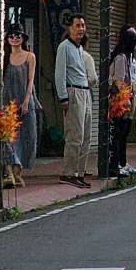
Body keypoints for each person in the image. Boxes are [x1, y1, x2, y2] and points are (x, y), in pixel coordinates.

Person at [54, 12, 92, 188]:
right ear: (70, 28)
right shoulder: (64, 47)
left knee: (85, 136)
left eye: (83, 25)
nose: (81, 29)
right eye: (77, 25)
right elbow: (59, 74)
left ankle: (80, 171)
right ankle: (69, 172)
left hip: (85, 92)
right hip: (73, 92)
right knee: (74, 135)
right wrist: (63, 97)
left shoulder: (79, 48)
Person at [1, 28, 38, 187]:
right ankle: (9, 173)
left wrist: (26, 100)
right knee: (7, 136)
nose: (14, 39)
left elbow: (30, 80)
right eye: (11, 36)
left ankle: (18, 172)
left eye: (18, 36)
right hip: (7, 99)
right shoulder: (4, 57)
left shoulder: (30, 56)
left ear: (23, 38)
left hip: (25, 98)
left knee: (28, 136)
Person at [108, 25, 136, 178]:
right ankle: (115, 164)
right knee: (118, 132)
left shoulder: (129, 57)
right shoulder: (121, 57)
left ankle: (122, 162)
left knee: (124, 131)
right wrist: (125, 99)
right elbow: (119, 81)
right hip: (120, 101)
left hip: (129, 97)